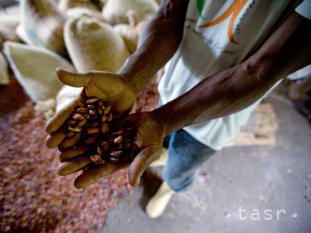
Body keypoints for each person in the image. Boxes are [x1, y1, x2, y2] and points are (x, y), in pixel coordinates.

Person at [45, 0, 311, 219]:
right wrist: (131, 78)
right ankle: (163, 149)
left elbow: (259, 70)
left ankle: (172, 186)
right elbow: (169, 15)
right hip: (172, 85)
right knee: (161, 140)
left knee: (180, 166)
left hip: (216, 121)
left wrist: (162, 120)